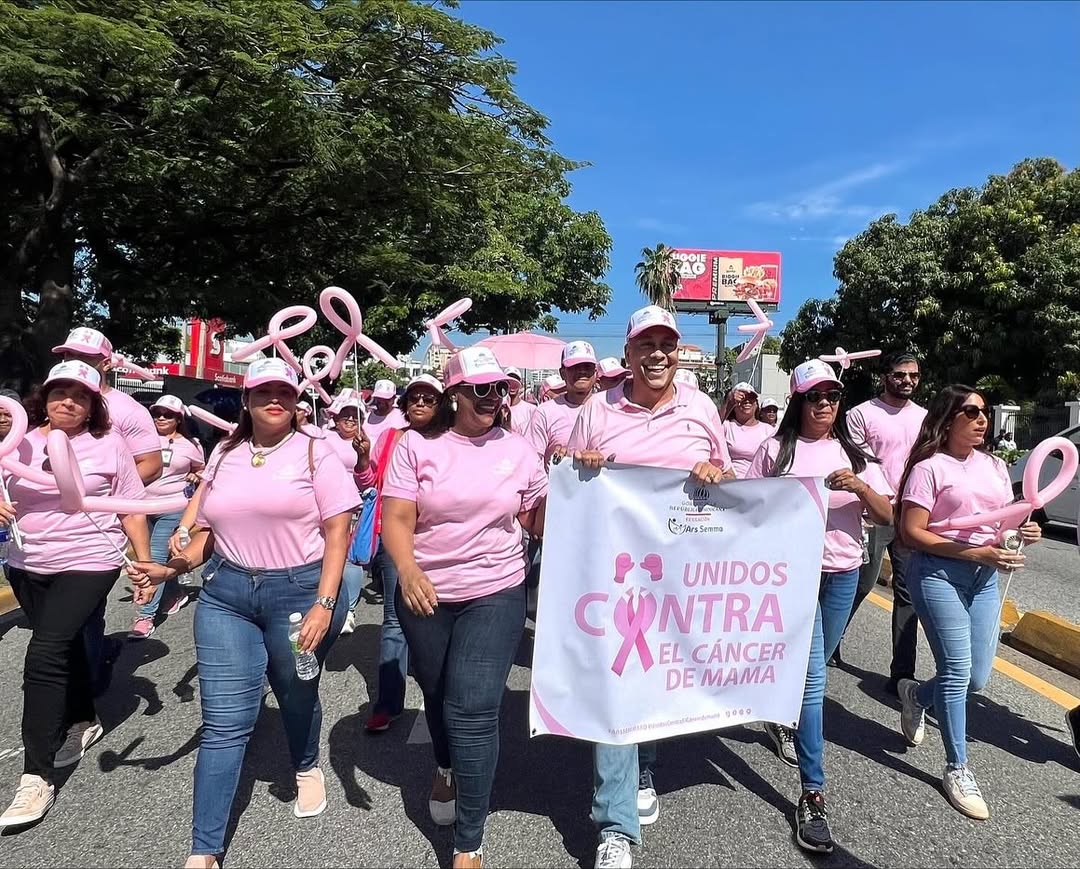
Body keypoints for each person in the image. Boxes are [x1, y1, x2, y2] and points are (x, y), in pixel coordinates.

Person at [129, 357, 359, 867]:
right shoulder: (225, 453)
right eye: (263, 392)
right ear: (247, 400)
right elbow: (209, 531)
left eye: (284, 392)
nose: (274, 399)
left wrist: (324, 604)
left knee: (295, 692)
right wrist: (172, 567)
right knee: (224, 722)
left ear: (296, 400)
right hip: (226, 595)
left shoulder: (317, 452)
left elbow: (338, 533)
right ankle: (204, 850)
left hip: (300, 593)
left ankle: (305, 763)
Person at [568, 305, 734, 869]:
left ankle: (644, 767)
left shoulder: (701, 408)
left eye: (667, 344)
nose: (657, 354)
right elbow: (564, 476)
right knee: (620, 682)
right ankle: (615, 826)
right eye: (646, 344)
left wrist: (717, 472)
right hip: (614, 576)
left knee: (657, 675)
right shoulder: (597, 409)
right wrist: (581, 462)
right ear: (629, 353)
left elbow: (731, 478)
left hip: (682, 578)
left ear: (677, 352)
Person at [381, 347, 546, 869]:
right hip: (425, 591)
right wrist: (407, 569)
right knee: (436, 692)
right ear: (454, 394)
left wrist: (578, 484)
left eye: (500, 388)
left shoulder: (519, 450)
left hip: (496, 589)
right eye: (481, 389)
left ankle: (468, 843)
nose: (493, 397)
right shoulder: (416, 445)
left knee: (472, 709)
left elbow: (536, 519)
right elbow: (397, 518)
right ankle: (446, 766)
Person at [746, 358, 893, 855]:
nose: (825, 404)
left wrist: (861, 486)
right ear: (798, 401)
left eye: (832, 396)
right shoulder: (774, 450)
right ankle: (813, 793)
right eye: (815, 396)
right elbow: (748, 508)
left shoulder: (853, 454)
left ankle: (781, 714)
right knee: (813, 682)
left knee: (813, 668)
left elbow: (886, 515)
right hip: (793, 578)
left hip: (843, 575)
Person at [0, 361, 151, 829]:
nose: (68, 401)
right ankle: (84, 718)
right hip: (27, 561)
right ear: (43, 398)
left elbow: (131, 508)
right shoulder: (18, 440)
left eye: (80, 396)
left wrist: (143, 565)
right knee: (64, 645)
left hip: (90, 559)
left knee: (44, 653)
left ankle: (35, 777)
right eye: (59, 392)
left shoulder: (109, 444)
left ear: (92, 406)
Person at [896, 384, 1040, 820]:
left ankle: (917, 696)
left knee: (975, 679)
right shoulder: (929, 468)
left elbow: (1002, 523)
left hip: (984, 577)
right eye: (972, 412)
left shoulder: (995, 466)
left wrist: (1022, 533)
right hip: (938, 573)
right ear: (948, 418)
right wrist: (974, 553)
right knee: (957, 671)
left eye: (985, 412)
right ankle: (957, 767)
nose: (982, 419)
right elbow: (911, 532)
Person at [840, 352, 927, 683]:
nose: (907, 381)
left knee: (908, 593)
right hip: (875, 512)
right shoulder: (861, 414)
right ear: (885, 376)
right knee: (862, 583)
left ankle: (902, 675)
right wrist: (877, 500)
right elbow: (858, 462)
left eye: (913, 375)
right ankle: (829, 640)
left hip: (911, 513)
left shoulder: (925, 417)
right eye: (900, 374)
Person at [362, 374, 443, 734]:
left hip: (442, 542)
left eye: (429, 398)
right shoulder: (391, 437)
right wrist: (362, 458)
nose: (420, 403)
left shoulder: (452, 439)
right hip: (398, 541)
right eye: (414, 398)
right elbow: (368, 482)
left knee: (440, 618)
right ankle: (388, 703)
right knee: (395, 620)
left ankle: (442, 697)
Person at [130, 395, 206, 639]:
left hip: (172, 507)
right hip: (140, 507)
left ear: (178, 419)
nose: (161, 418)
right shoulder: (140, 440)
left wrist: (195, 476)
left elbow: (202, 471)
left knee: (154, 558)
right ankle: (174, 593)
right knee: (161, 557)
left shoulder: (191, 445)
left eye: (168, 414)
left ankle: (145, 616)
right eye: (157, 413)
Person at [323, 404, 372, 631]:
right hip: (326, 504)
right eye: (345, 415)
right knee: (326, 553)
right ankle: (326, 601)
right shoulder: (323, 438)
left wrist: (363, 455)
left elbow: (369, 477)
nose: (351, 419)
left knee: (351, 557)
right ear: (336, 418)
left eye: (356, 416)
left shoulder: (367, 440)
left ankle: (349, 610)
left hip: (354, 504)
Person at [527, 342, 598, 466]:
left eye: (587, 366)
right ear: (562, 373)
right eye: (575, 366)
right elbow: (531, 462)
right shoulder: (545, 413)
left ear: (595, 372)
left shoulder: (610, 409)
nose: (582, 371)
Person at [722, 381, 775, 479]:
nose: (747, 401)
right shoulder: (726, 426)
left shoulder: (769, 430)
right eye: (741, 398)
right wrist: (729, 403)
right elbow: (713, 427)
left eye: (751, 398)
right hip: (732, 482)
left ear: (756, 404)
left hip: (760, 483)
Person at [364, 379, 407, 445]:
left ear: (394, 398)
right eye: (379, 398)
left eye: (386, 399)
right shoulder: (365, 418)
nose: (382, 402)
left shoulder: (403, 418)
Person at [504, 367, 537, 437]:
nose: (512, 385)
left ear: (520, 384)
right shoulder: (498, 410)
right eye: (508, 382)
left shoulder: (531, 409)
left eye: (515, 382)